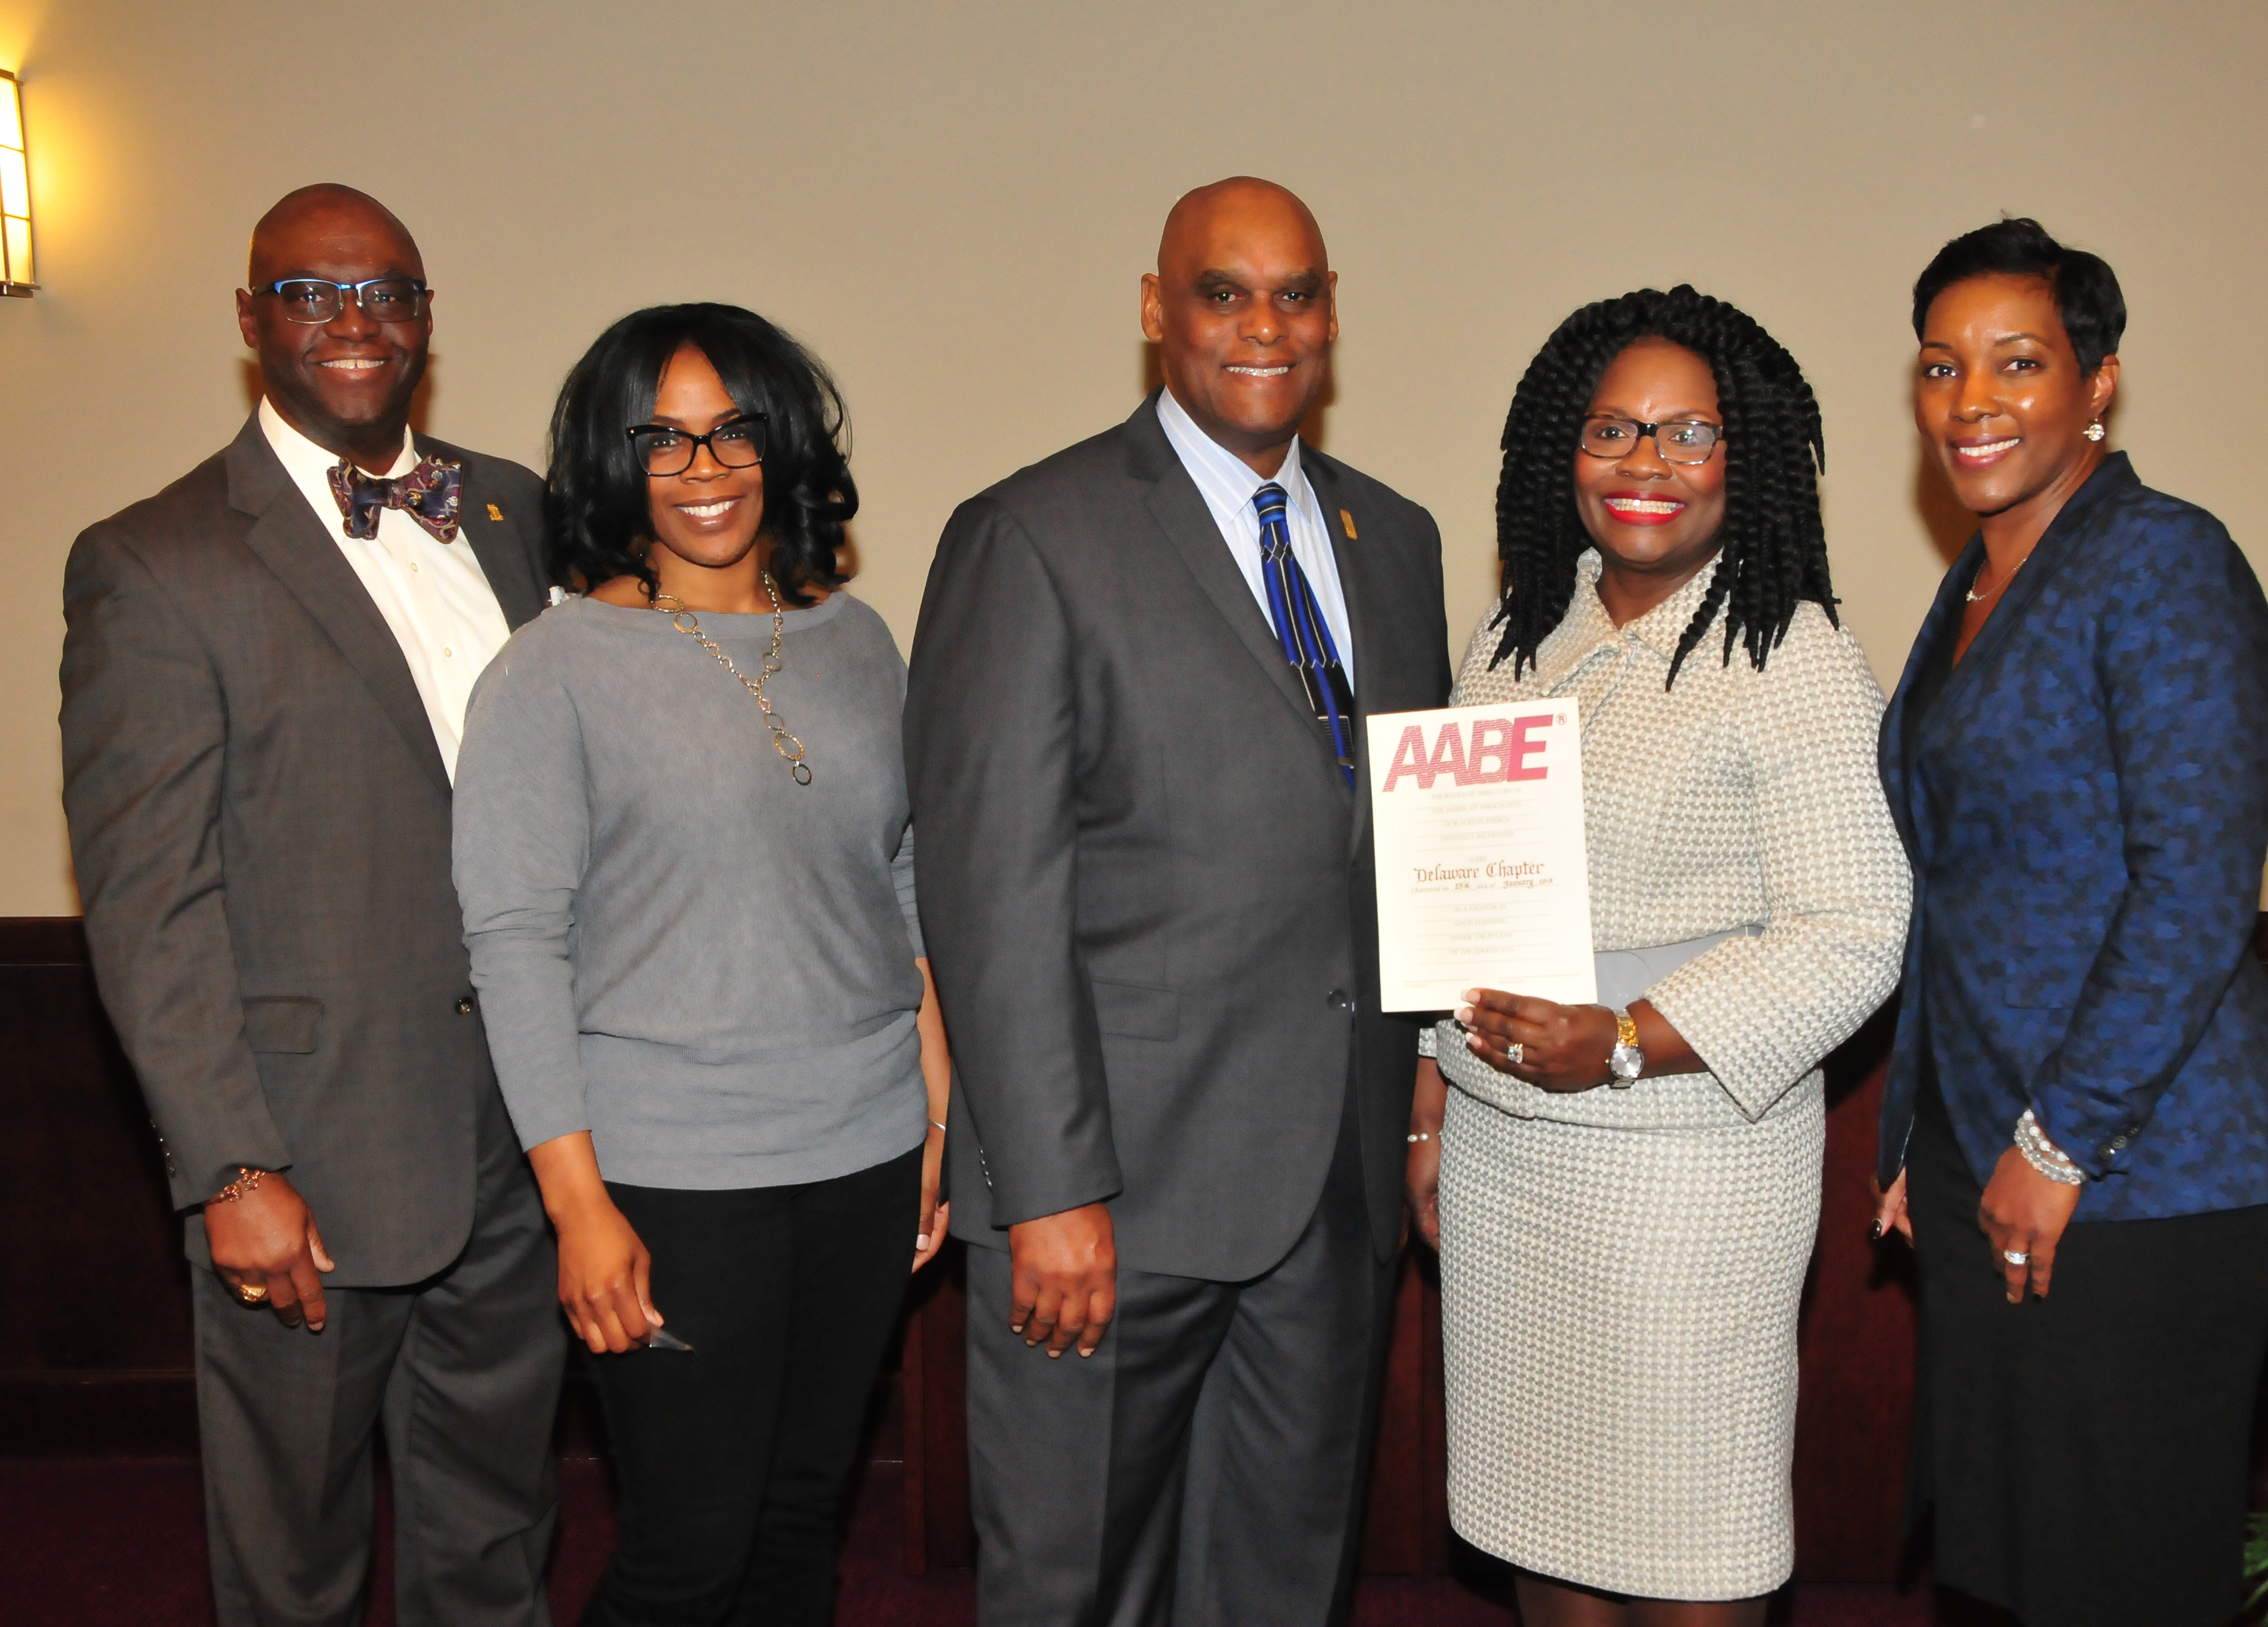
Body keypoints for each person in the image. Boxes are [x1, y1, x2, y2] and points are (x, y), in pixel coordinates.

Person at [903, 177, 1451, 1625]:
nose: (1261, 325)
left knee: (1281, 1584)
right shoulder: (1032, 534)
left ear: (1332, 315)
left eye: (1295, 292)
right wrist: (1051, 1189)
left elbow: (1403, 862)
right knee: (1076, 1585)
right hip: (1110, 1206)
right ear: (1157, 311)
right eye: (1223, 291)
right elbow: (989, 893)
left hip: (1329, 1197)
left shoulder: (1394, 540)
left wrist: (1416, 1112)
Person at [57, 185, 564, 1626]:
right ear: (246, 319)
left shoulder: (511, 509)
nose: (355, 320)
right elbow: (149, 901)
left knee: (498, 1533)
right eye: (311, 291)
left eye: (386, 291)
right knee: (296, 1563)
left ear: (425, 319)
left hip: (523, 1140)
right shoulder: (156, 559)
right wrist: (229, 1166)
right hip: (308, 1161)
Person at [1870, 218, 2268, 1627]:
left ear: (2098, 383)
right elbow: (1953, 889)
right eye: (1940, 365)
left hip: (2154, 1171)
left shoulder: (2161, 559)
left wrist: (2049, 1141)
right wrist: (1921, 1131)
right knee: (2018, 1560)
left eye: (2018, 361)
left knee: (2116, 1572)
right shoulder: (1973, 585)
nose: (1971, 400)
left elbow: (2191, 886)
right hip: (1994, 1150)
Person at [1413, 287, 1910, 1626]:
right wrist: (1427, 1112)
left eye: (1688, 432)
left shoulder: (1788, 650)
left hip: (1689, 1163)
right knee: (1542, 1527)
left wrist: (1627, 1033)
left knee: (1694, 1544)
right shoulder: (1513, 640)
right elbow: (1449, 895)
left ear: (1740, 458)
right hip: (1508, 1154)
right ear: (1553, 453)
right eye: (1612, 429)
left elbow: (1855, 930)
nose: (1646, 463)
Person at [451, 303, 951, 1626]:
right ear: (614, 466)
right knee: (688, 1545)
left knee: (799, 1518)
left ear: (782, 445)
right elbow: (513, 942)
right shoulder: (550, 672)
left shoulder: (858, 640)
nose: (706, 465)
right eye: (661, 438)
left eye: (733, 429)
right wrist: (577, 1206)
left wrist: (936, 1113)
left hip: (863, 1147)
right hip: (670, 1174)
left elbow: (900, 879)